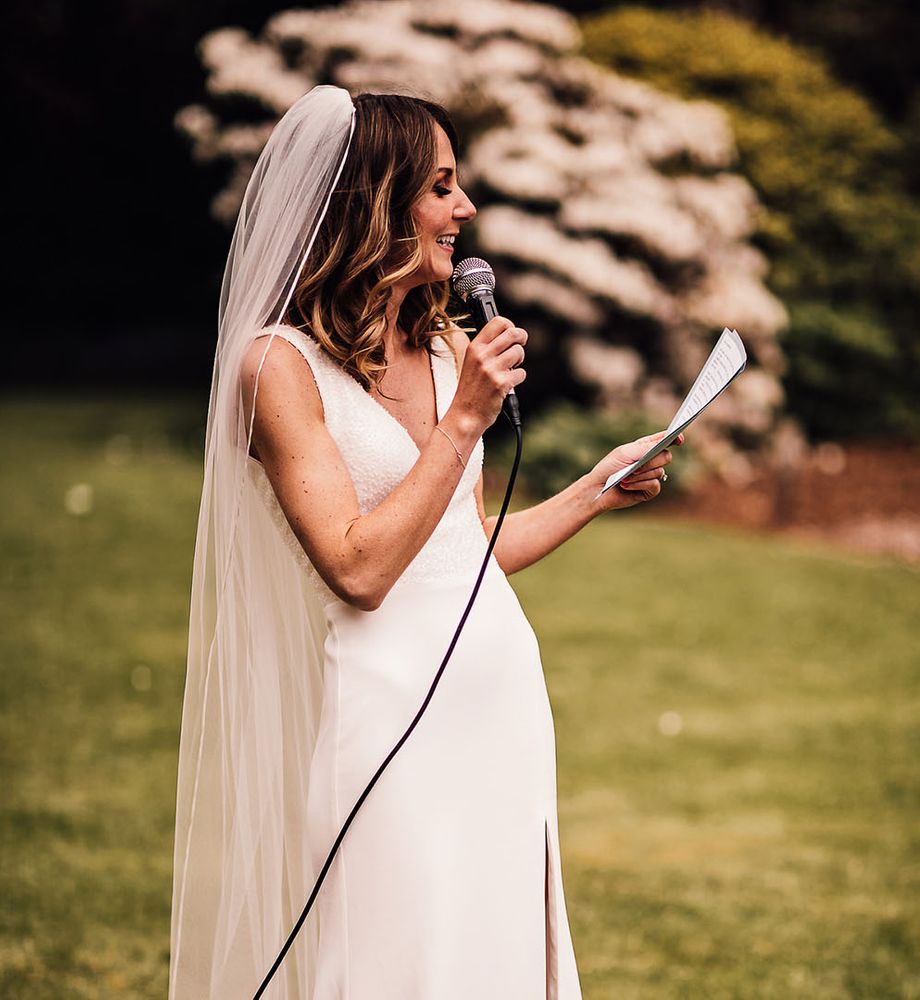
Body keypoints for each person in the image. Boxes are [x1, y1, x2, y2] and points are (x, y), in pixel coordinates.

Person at [170, 85, 678, 999]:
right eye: (442, 187)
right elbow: (361, 567)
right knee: (401, 959)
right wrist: (463, 424)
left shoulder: (443, 348)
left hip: (502, 705)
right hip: (388, 718)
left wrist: (598, 487)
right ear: (379, 199)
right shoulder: (276, 368)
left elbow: (463, 545)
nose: (465, 211)